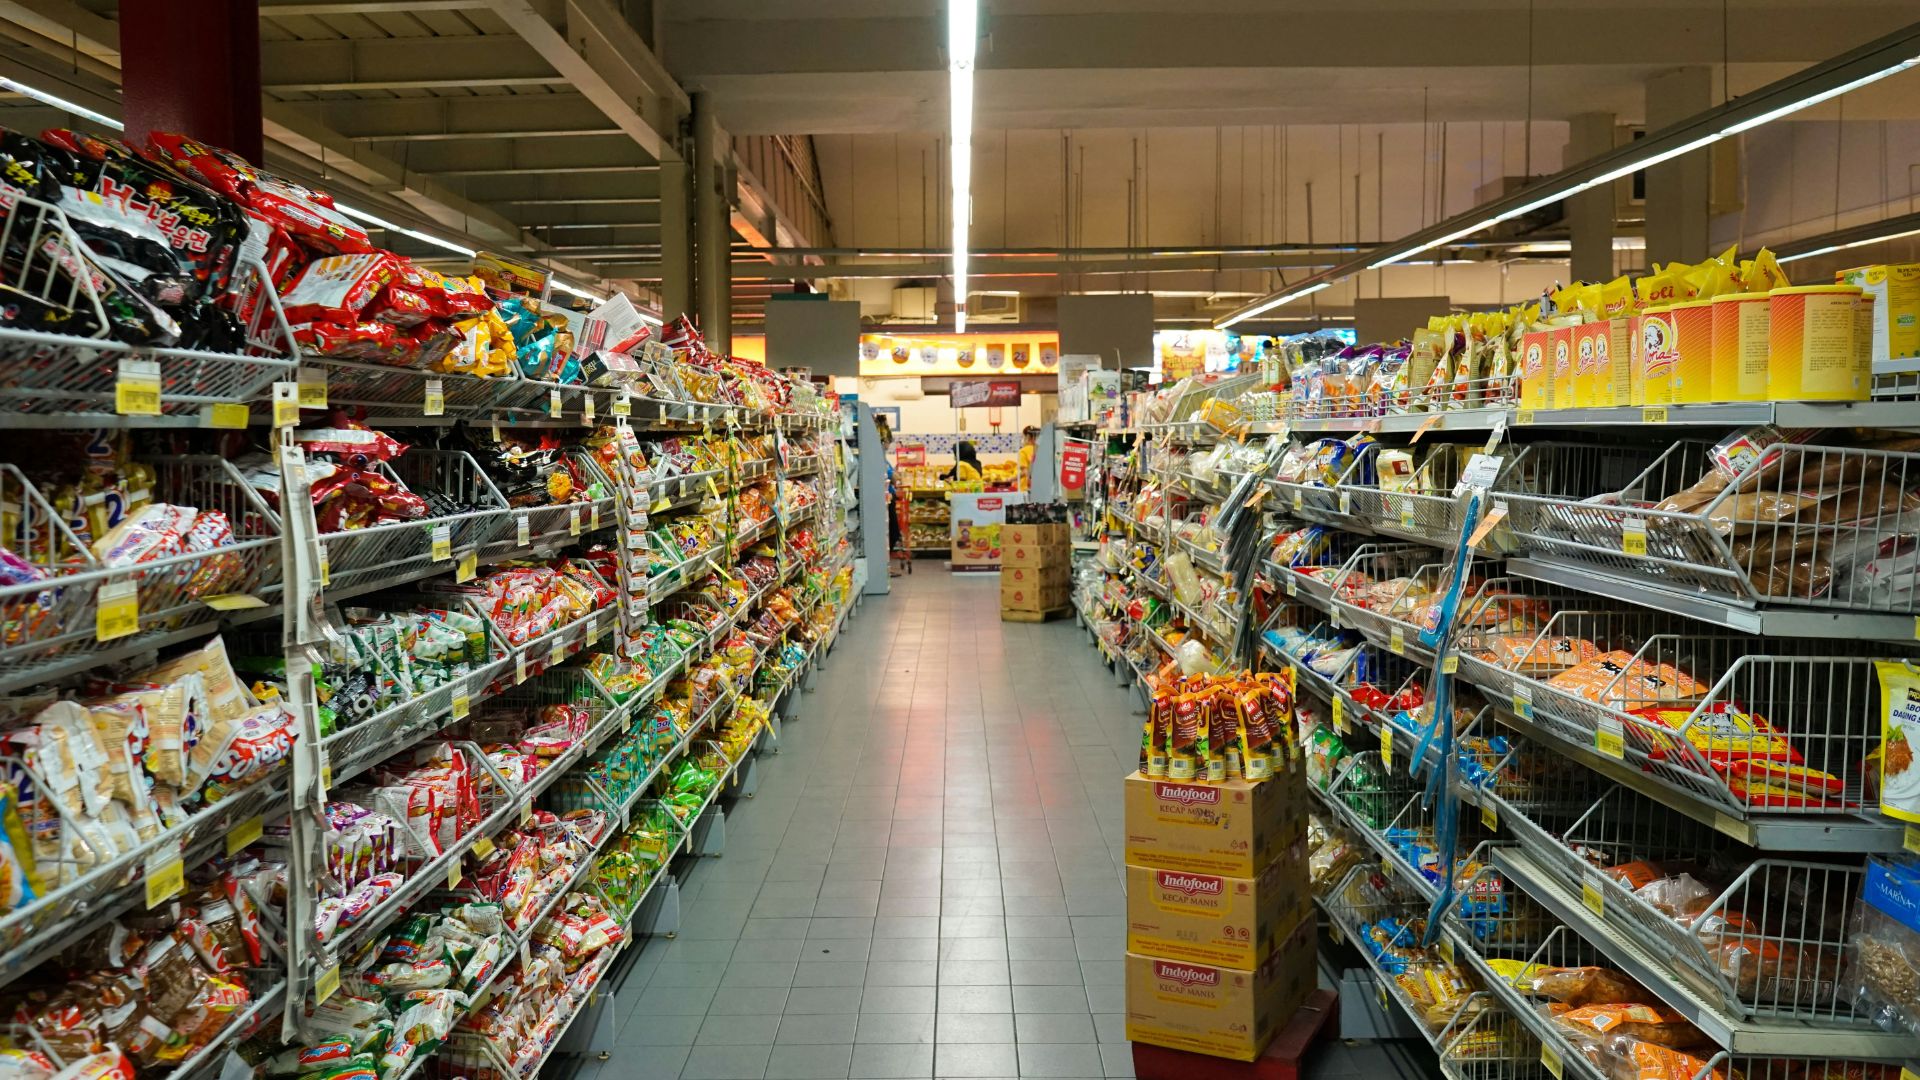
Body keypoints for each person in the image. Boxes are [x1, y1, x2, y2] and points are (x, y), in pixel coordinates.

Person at [1016, 426, 1038, 491]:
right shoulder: (1040, 450)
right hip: (1039, 488)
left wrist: (1009, 479)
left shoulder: (1023, 451)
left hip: (1026, 489)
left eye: (1023, 436)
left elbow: (1025, 472)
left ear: (1027, 437)